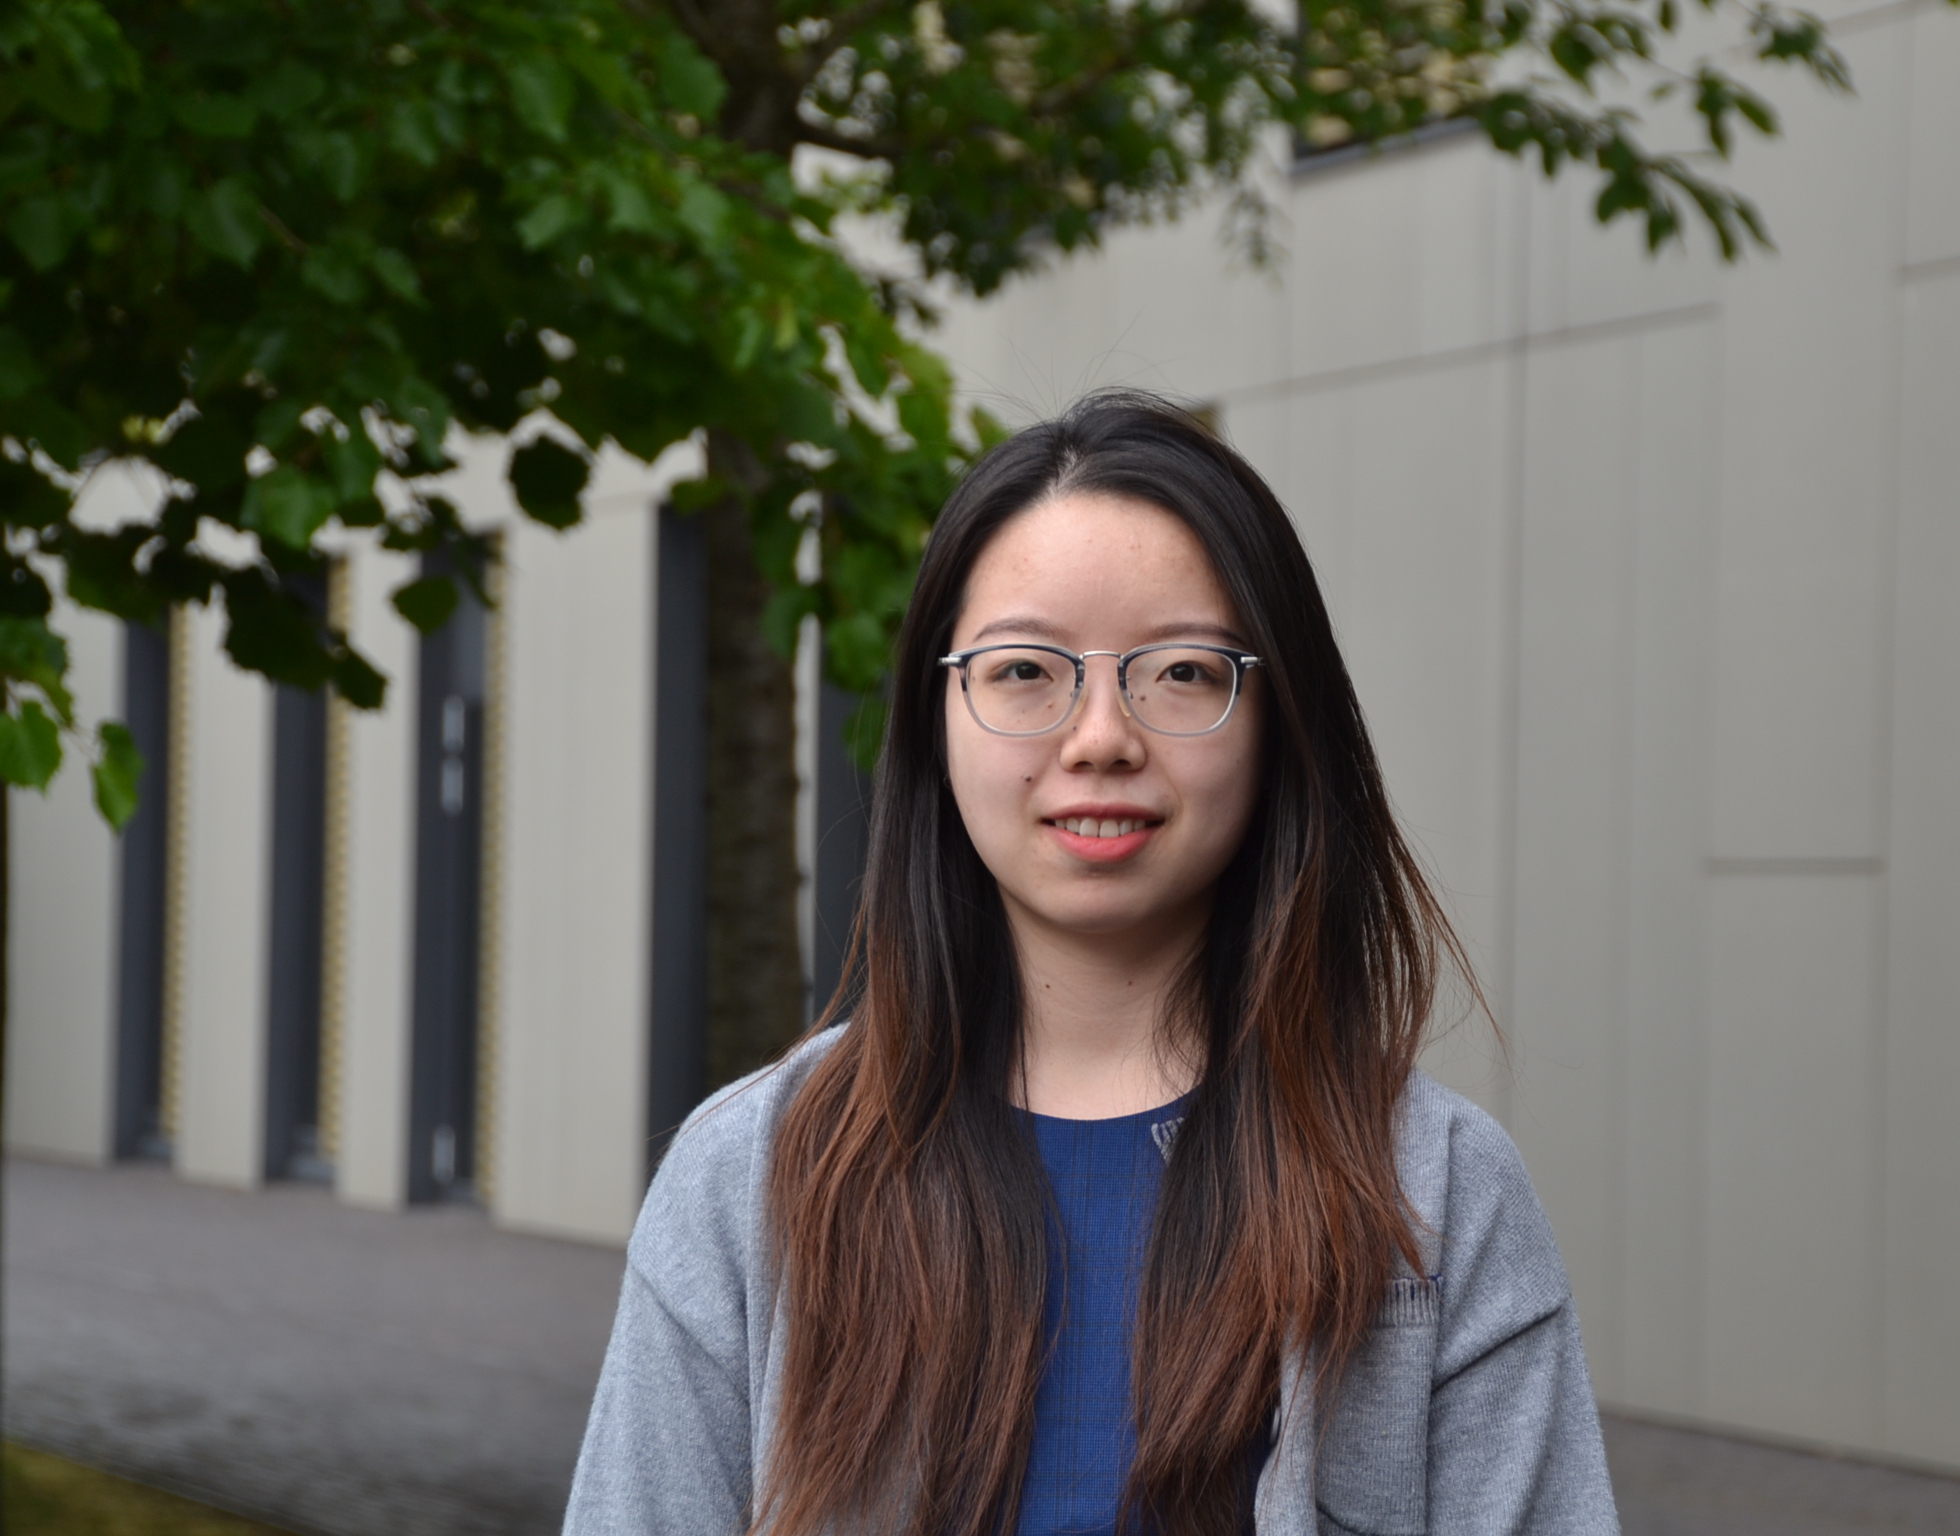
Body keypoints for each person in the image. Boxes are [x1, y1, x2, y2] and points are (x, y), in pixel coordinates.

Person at [563, 393, 1618, 1536]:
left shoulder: (1437, 1192)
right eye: (1025, 669)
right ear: (936, 719)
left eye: (1182, 672)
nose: (1102, 736)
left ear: (1279, 721)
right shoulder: (750, 1181)